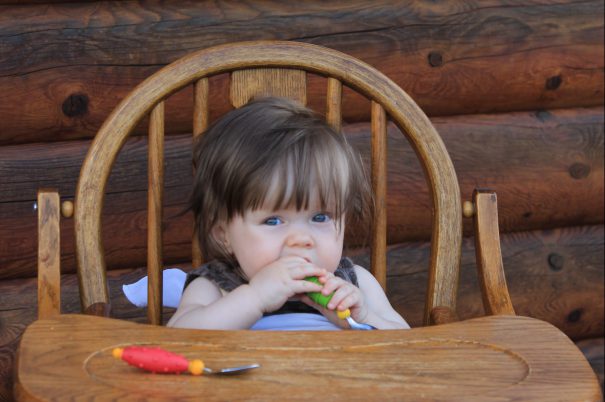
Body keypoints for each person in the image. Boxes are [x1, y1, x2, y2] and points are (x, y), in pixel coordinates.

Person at [167, 97, 409, 331]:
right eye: (273, 221)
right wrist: (255, 297)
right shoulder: (215, 287)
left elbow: (407, 345)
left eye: (320, 217)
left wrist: (364, 317)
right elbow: (178, 338)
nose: (301, 239)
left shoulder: (355, 283)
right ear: (224, 235)